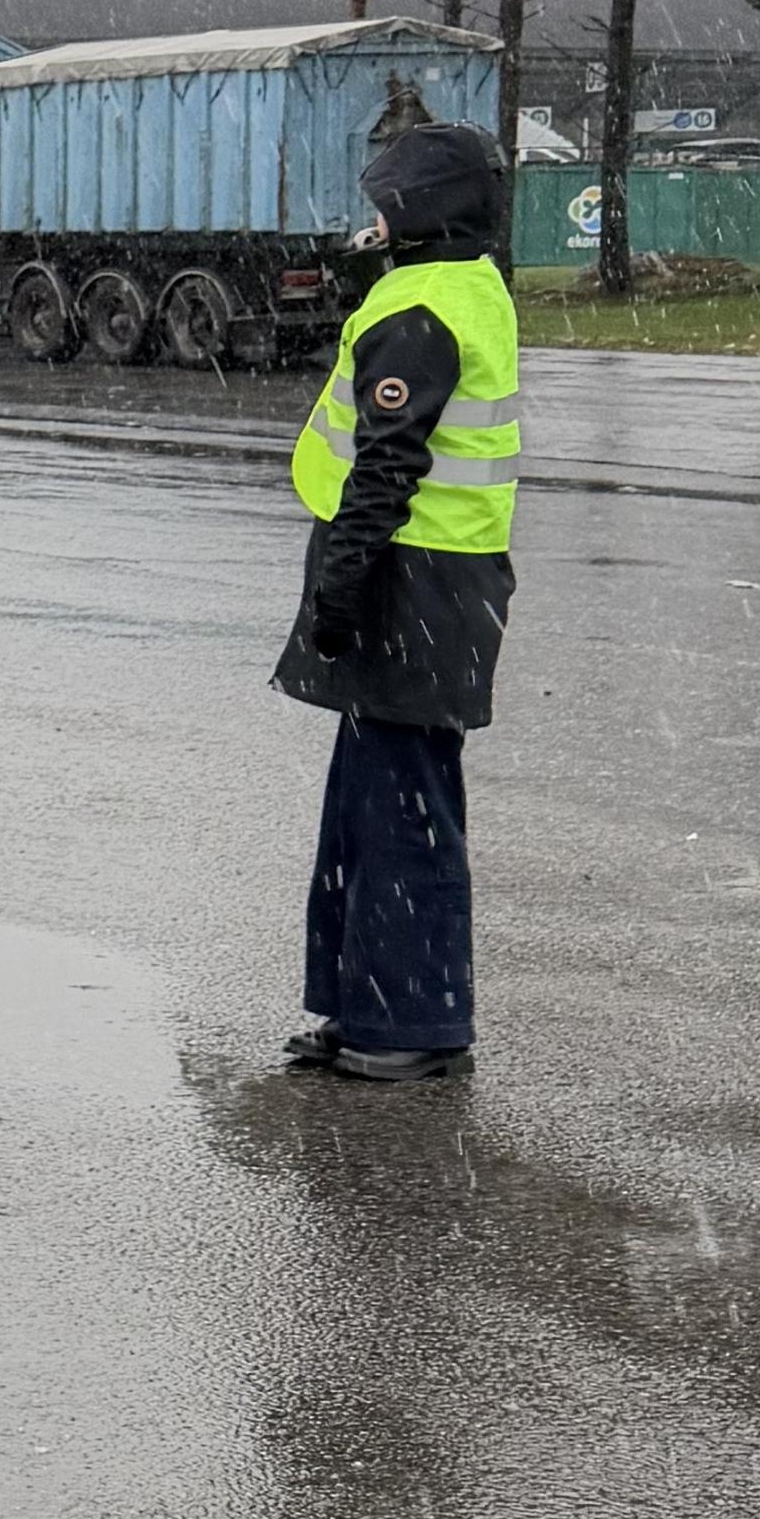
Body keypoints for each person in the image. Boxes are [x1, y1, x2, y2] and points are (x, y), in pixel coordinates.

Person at [275, 114, 519, 1083]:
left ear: (419, 209)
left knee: (400, 811)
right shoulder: (459, 286)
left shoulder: (420, 308)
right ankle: (363, 1006)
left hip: (409, 578)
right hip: (440, 579)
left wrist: (338, 592)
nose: (371, 215)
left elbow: (385, 467)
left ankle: (411, 1020)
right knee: (369, 804)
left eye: (385, 201)